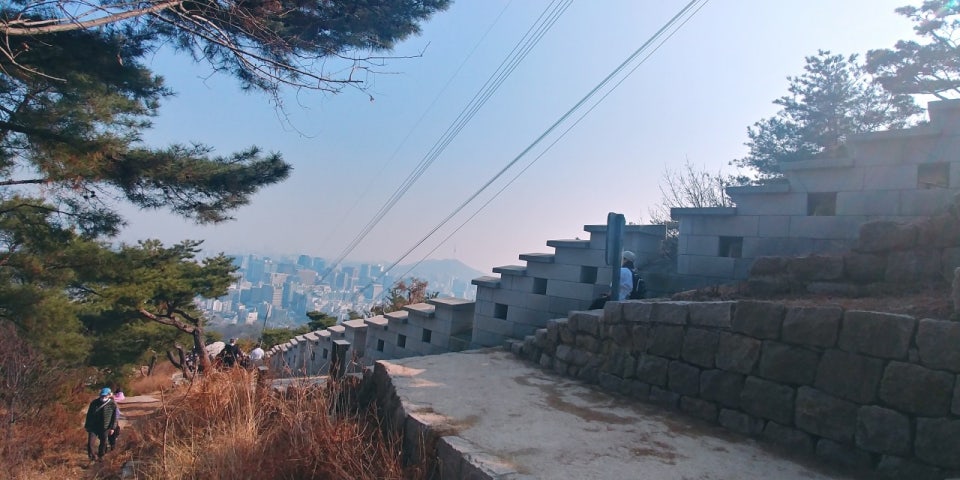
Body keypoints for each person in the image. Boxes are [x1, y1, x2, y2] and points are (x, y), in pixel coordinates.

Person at [84, 387, 118, 461]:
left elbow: (114, 417)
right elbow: (89, 415)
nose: (103, 397)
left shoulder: (112, 404)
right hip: (94, 426)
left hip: (105, 427)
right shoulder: (94, 403)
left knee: (103, 442)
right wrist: (87, 426)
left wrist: (112, 428)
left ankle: (101, 455)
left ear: (109, 395)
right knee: (90, 443)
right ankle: (93, 457)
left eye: (105, 396)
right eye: (102, 396)